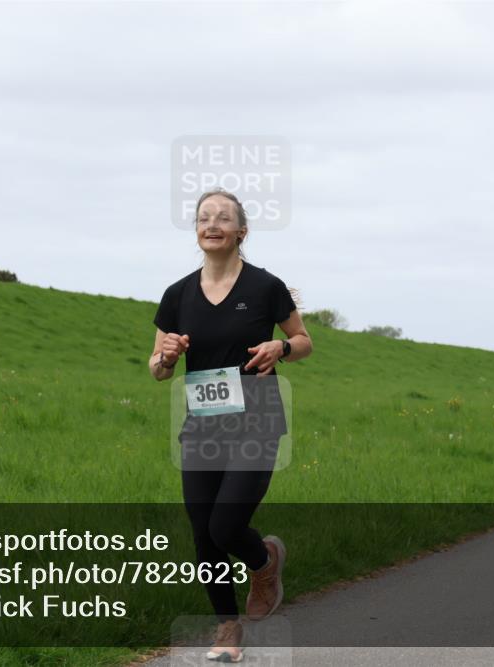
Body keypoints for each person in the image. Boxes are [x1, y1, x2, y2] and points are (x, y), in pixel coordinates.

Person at [149, 189, 312, 662]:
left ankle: (265, 562)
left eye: (223, 218)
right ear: (196, 230)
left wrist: (280, 349)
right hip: (202, 425)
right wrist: (166, 357)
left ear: (242, 231)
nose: (212, 223)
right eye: (203, 217)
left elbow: (303, 340)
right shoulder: (177, 295)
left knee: (225, 525)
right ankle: (227, 627)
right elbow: (157, 369)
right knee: (203, 533)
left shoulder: (265, 287)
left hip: (258, 420)